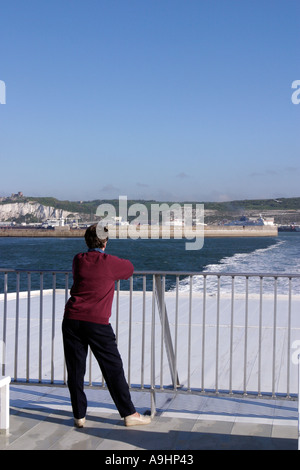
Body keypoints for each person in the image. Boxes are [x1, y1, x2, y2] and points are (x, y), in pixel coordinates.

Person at [62, 223, 151, 428]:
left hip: (72, 319)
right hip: (97, 323)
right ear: (105, 241)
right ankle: (129, 414)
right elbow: (129, 269)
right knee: (113, 368)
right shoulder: (109, 262)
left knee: (75, 370)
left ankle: (79, 416)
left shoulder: (78, 259)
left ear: (86, 241)